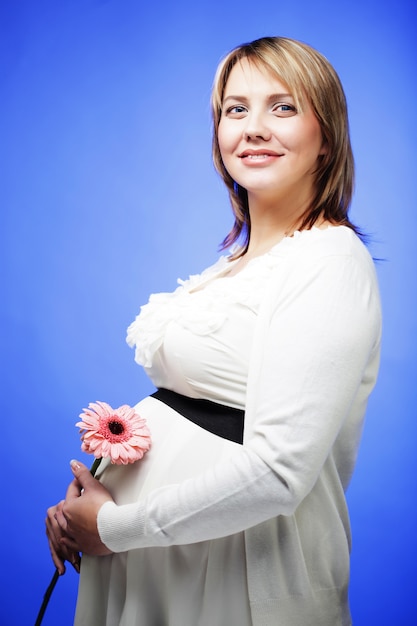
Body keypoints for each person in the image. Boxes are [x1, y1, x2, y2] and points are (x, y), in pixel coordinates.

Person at [46, 36, 382, 626]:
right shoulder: (232, 268)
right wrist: (90, 503)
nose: (253, 127)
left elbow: (280, 472)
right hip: (158, 561)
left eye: (283, 107)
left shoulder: (328, 261)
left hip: (235, 570)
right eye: (236, 109)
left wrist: (113, 526)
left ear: (326, 137)